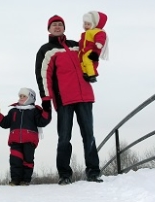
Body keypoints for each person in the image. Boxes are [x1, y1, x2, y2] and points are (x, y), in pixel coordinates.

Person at [35, 15, 103, 185]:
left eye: (60, 24)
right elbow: (43, 76)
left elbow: (90, 57)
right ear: (49, 29)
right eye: (54, 25)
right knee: (64, 137)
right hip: (64, 99)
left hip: (85, 96)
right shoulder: (46, 50)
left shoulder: (76, 45)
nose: (57, 27)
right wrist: (46, 99)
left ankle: (93, 172)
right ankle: (65, 174)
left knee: (89, 135)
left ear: (64, 27)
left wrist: (95, 51)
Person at [0, 87, 51, 186]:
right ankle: (15, 180)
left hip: (29, 140)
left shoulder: (34, 111)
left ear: (31, 98)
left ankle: (25, 180)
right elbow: (5, 123)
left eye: (24, 96)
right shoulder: (14, 111)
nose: (21, 98)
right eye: (20, 96)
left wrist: (47, 110)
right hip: (15, 140)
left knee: (28, 160)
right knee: (15, 160)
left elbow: (42, 121)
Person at [79, 11, 108, 83]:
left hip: (91, 49)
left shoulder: (97, 31)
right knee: (81, 61)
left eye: (88, 24)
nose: (86, 26)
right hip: (84, 50)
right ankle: (85, 73)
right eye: (85, 24)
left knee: (88, 60)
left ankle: (92, 75)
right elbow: (81, 42)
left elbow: (101, 38)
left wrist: (99, 43)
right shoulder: (85, 33)